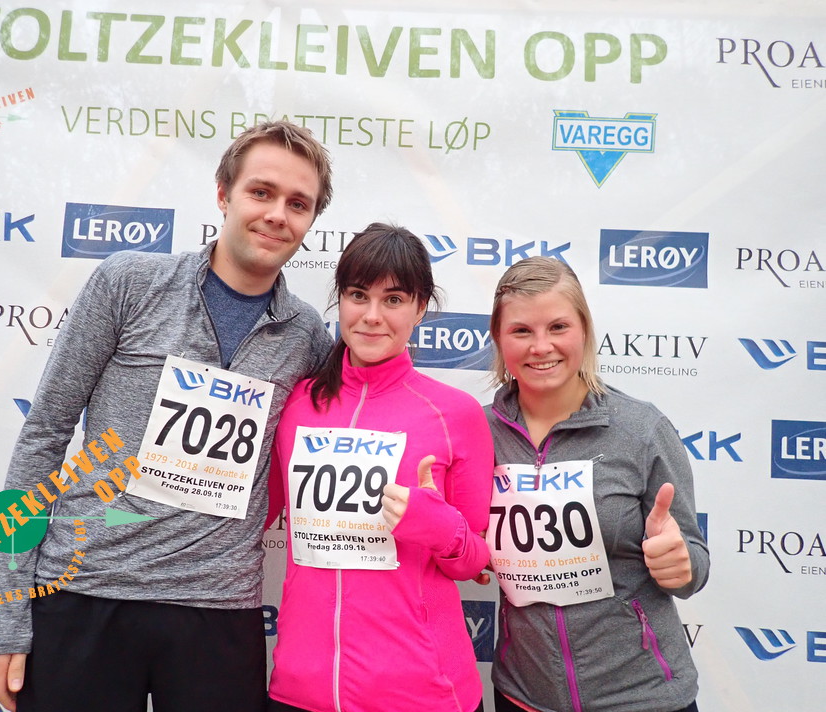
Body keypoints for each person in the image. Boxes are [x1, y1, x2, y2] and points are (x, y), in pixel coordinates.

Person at [0, 121, 335, 712]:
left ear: (311, 220)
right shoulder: (129, 283)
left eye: (298, 204)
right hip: (86, 591)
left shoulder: (307, 338)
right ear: (223, 193)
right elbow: (44, 436)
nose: (277, 214)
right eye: (261, 192)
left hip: (218, 614)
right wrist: (6, 612)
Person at [265, 223, 494, 712]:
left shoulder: (455, 415)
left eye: (393, 300)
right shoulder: (296, 404)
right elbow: (250, 518)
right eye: (357, 295)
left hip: (423, 692)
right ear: (340, 300)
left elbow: (475, 561)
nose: (372, 316)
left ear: (420, 308)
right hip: (300, 688)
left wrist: (438, 526)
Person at [484, 257, 709, 712]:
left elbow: (695, 563)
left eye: (558, 327)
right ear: (499, 339)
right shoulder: (478, 432)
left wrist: (681, 565)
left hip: (643, 699)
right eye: (522, 331)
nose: (541, 346)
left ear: (584, 331)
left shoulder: (642, 429)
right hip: (523, 696)